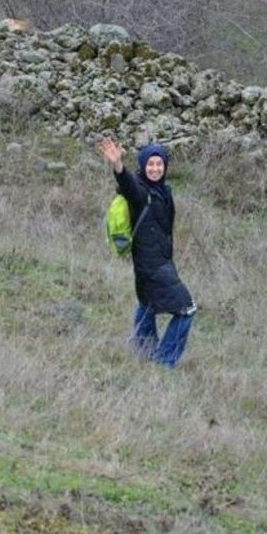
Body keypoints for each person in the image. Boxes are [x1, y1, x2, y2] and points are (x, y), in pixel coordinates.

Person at [100, 138, 196, 368]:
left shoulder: (163, 191)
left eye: (159, 164)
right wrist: (118, 165)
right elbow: (127, 184)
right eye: (150, 164)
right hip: (152, 266)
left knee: (147, 303)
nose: (155, 169)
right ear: (143, 166)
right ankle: (163, 363)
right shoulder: (141, 192)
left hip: (156, 262)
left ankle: (143, 352)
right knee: (187, 309)